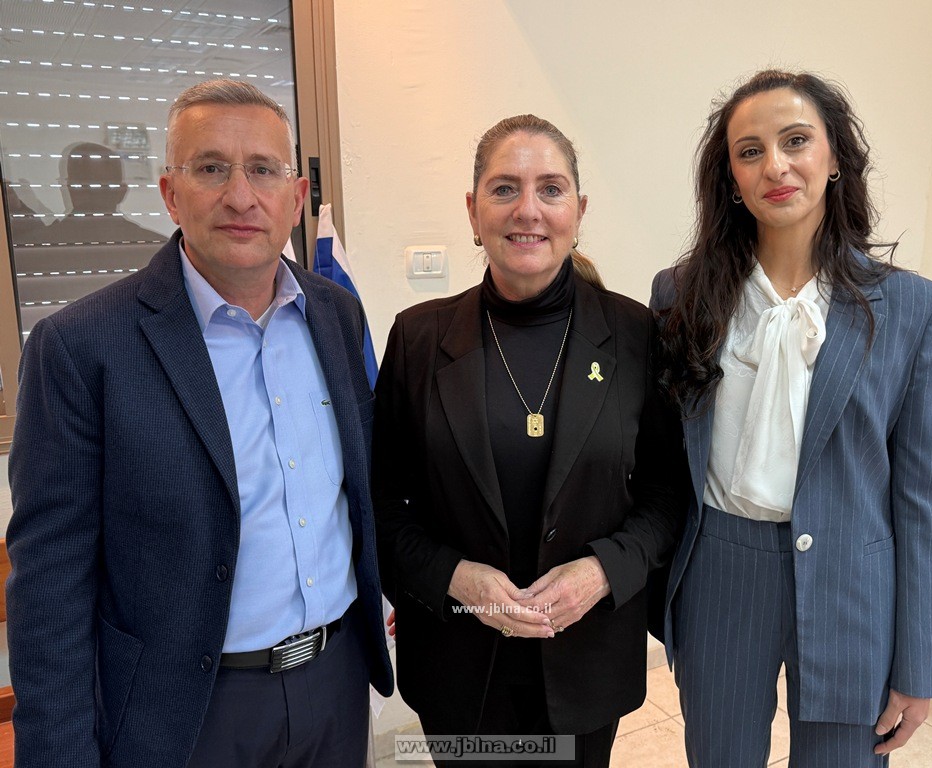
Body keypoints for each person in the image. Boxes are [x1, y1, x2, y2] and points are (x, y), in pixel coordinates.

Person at [6, 79, 393, 768]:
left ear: (296, 196)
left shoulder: (336, 314)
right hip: (184, 712)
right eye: (211, 168)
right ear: (170, 193)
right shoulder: (81, 347)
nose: (241, 196)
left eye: (263, 170)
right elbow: (50, 585)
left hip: (336, 683)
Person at [651, 69, 932, 767]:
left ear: (834, 156)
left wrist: (918, 663)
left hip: (853, 580)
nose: (775, 166)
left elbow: (921, 498)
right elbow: (664, 456)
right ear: (730, 178)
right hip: (721, 570)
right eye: (749, 151)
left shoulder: (914, 309)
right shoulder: (680, 295)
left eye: (795, 141)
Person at [372, 114, 682, 767]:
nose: (528, 210)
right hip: (458, 662)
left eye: (551, 188)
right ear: (473, 210)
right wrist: (454, 578)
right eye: (505, 188)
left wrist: (602, 571)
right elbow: (381, 506)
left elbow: (667, 495)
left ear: (579, 211)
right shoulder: (418, 339)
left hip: (586, 661)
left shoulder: (634, 334)